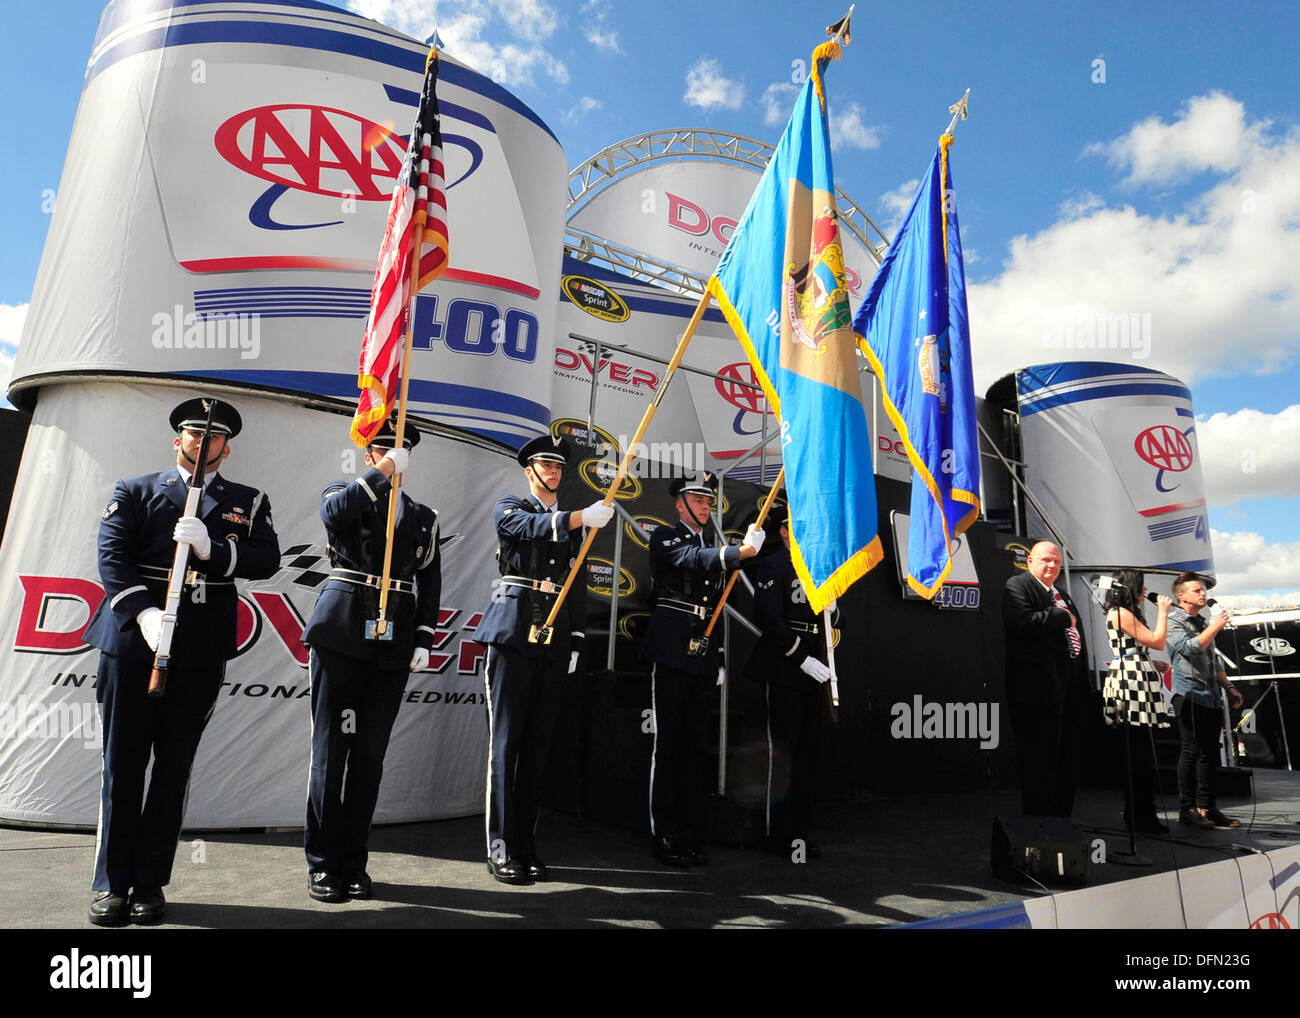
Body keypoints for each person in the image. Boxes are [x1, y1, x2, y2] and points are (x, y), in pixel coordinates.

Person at [82, 397, 280, 926]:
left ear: (226, 447)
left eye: (213, 436)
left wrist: (215, 549)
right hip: (133, 642)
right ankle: (110, 885)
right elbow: (112, 558)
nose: (202, 441)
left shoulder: (248, 500)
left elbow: (266, 559)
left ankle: (148, 884)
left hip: (198, 646)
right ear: (178, 440)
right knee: (122, 766)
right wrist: (143, 614)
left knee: (172, 770)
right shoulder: (137, 489)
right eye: (194, 433)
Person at [301, 417, 441, 902]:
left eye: (400, 451)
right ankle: (322, 863)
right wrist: (380, 474)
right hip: (341, 633)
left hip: (394, 639)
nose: (394, 455)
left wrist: (424, 637)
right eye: (383, 449)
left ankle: (353, 861)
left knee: (369, 758)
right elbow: (335, 514)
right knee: (330, 754)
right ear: (369, 455)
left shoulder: (423, 516)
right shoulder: (345, 492)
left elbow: (429, 584)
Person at [475, 435, 613, 884]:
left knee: (537, 750)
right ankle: (500, 847)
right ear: (528, 470)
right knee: (506, 746)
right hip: (514, 631)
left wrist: (574, 642)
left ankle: (525, 844)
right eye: (544, 465)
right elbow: (528, 529)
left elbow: (575, 584)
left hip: (552, 641)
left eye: (557, 466)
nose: (553, 472)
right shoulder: (511, 506)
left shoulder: (570, 526)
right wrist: (578, 517)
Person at [645, 472, 764, 867]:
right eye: (696, 498)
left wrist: (720, 659)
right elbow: (691, 560)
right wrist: (737, 554)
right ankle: (665, 833)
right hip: (672, 649)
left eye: (706, 499)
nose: (703, 504)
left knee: (695, 750)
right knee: (669, 748)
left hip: (702, 652)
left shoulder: (712, 547)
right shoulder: (667, 537)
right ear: (680, 504)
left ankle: (689, 832)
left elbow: (716, 609)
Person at [745, 503, 835, 861]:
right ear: (784, 531)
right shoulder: (773, 564)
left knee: (806, 754)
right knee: (782, 751)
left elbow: (835, 615)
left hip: (816, 666)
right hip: (785, 667)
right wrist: (801, 657)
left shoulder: (818, 565)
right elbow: (771, 618)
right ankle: (775, 832)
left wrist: (835, 609)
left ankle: (797, 833)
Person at [1001, 541, 1088, 818]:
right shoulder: (1017, 586)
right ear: (1030, 562)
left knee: (1067, 757)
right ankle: (1040, 825)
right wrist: (1061, 615)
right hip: (1036, 691)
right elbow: (1023, 623)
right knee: (1040, 759)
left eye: (1057, 562)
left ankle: (1062, 819)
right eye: (1045, 560)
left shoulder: (1062, 593)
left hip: (1068, 685)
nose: (1051, 566)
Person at [1167, 572, 1242, 829]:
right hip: (1188, 695)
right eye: (1197, 590)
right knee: (1191, 752)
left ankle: (1207, 807)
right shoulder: (1174, 620)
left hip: (1210, 696)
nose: (1203, 594)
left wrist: (1228, 686)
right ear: (1182, 596)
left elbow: (1213, 657)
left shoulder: (1202, 622)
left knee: (1209, 755)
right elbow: (1189, 648)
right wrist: (1215, 626)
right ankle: (1187, 809)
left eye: (1204, 590)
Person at [1101, 569, 1173, 834]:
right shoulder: (1121, 613)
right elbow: (1157, 640)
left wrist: (1152, 663)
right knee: (1137, 752)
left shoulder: (1125, 613)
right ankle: (1139, 815)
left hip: (1136, 675)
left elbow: (1130, 648)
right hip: (1131, 684)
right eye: (1142, 586)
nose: (1146, 591)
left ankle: (1143, 813)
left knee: (1142, 751)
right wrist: (1163, 611)